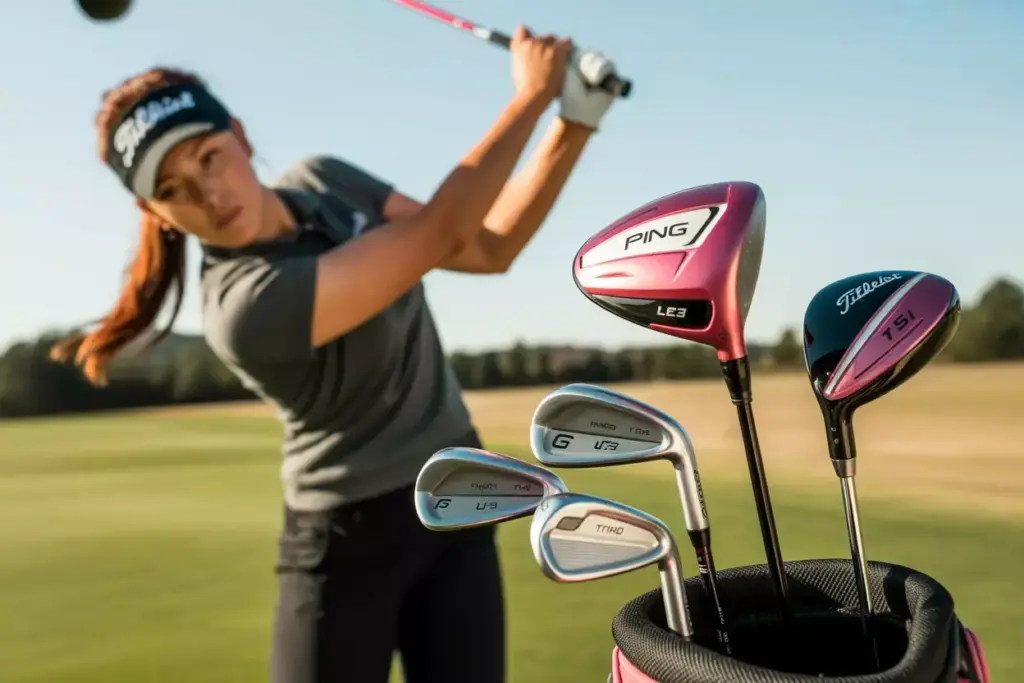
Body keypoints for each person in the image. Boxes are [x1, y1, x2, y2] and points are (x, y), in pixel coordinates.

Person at [51, 26, 619, 683]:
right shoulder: (244, 306)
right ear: (157, 212)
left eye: (209, 156)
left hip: (459, 495)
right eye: (174, 189)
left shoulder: (325, 181)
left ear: (241, 134)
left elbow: (486, 247)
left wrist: (574, 120)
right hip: (345, 543)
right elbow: (438, 232)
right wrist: (531, 96)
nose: (208, 194)